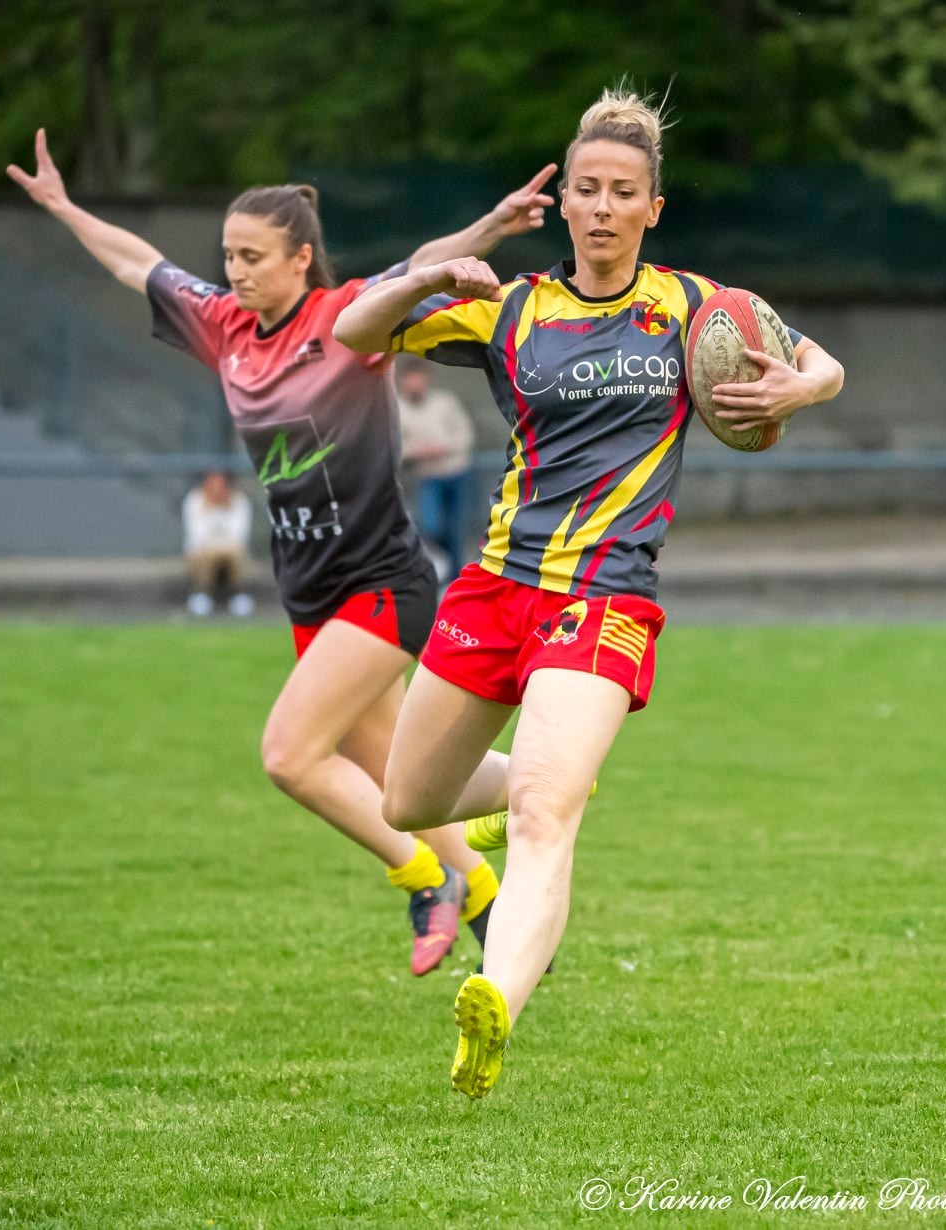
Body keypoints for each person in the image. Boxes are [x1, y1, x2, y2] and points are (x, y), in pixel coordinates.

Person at [333, 85, 846, 1098]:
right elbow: (355, 330)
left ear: (654, 209)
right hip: (491, 590)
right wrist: (431, 271)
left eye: (625, 193)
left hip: (606, 598)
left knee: (543, 815)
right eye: (587, 190)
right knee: (408, 797)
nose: (603, 207)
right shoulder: (509, 307)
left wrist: (802, 386)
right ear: (562, 201)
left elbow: (818, 359)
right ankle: (537, 780)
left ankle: (498, 1001)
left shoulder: (696, 306)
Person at [8, 128, 558, 975]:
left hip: (383, 582)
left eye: (253, 255)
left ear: (302, 258)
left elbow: (421, 263)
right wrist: (65, 207)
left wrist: (489, 226)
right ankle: (488, 883)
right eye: (228, 255)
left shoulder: (345, 319)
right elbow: (136, 263)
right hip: (309, 591)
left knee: (293, 755)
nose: (235, 270)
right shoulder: (223, 326)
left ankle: (428, 879)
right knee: (398, 777)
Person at [396, 361, 476, 575]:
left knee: (456, 530)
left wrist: (444, 448)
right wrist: (417, 452)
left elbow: (465, 434)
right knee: (432, 526)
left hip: (456, 473)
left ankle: (455, 576)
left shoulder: (445, 402)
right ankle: (445, 564)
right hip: (426, 477)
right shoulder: (398, 409)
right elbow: (395, 447)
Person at [182, 469, 254, 617]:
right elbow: (197, 536)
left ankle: (237, 595)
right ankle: (202, 593)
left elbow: (238, 536)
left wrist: (223, 508)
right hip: (202, 551)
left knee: (236, 552)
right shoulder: (195, 499)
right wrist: (211, 509)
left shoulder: (239, 500)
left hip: (230, 550)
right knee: (208, 554)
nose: (217, 488)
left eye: (221, 483)